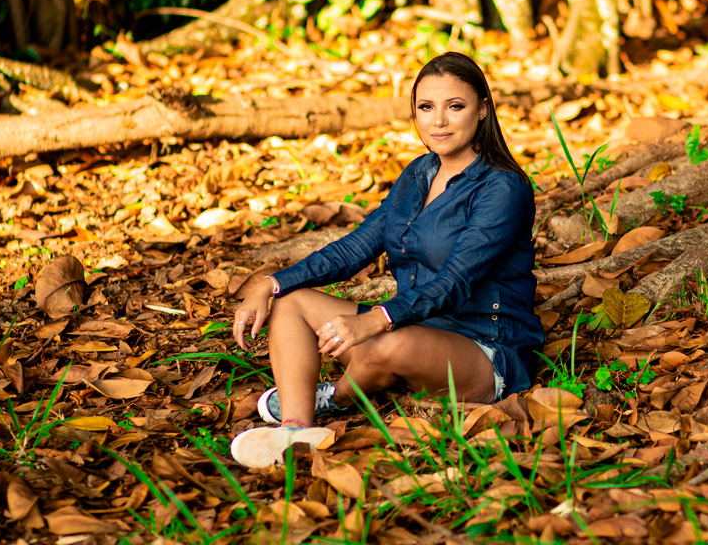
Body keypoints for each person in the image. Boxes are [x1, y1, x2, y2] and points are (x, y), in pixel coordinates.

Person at [227, 52, 543, 468]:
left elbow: (456, 281)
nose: (439, 121)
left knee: (388, 343)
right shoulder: (418, 174)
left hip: (484, 349)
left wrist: (377, 319)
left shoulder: (502, 187)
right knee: (291, 303)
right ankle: (296, 428)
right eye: (426, 107)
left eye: (455, 106)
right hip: (414, 327)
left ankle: (336, 397)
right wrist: (270, 283)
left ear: (482, 110)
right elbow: (357, 246)